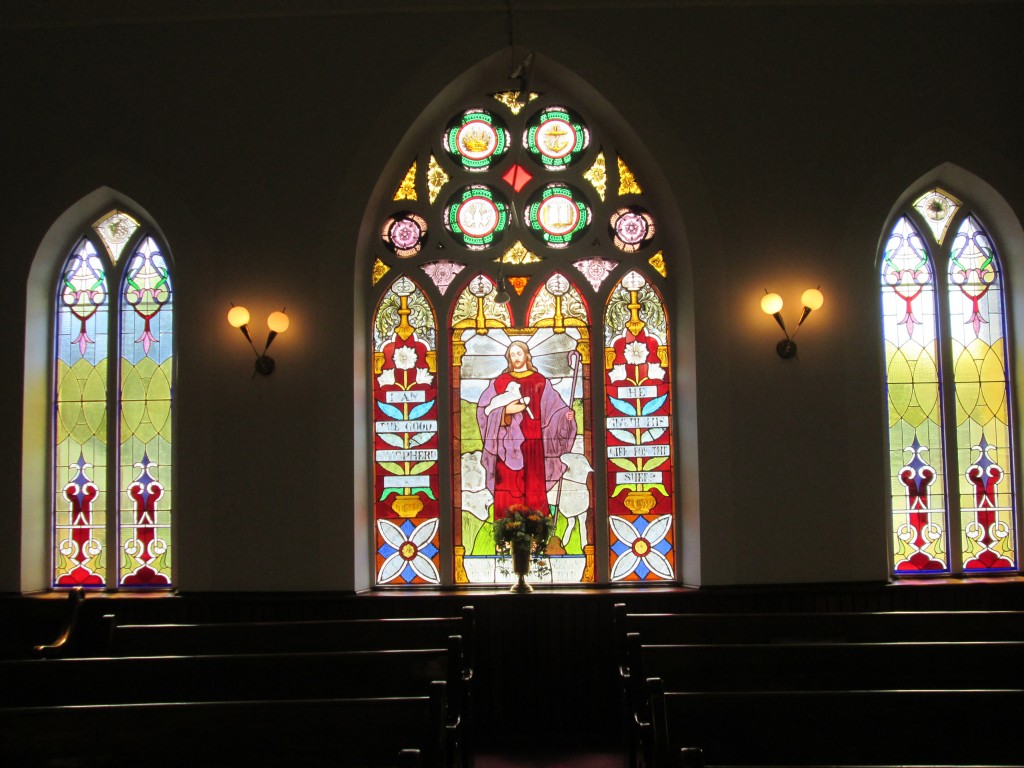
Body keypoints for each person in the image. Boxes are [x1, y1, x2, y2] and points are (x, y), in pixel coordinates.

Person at [477, 341, 577, 517]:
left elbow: (556, 409)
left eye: (519, 353)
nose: (516, 358)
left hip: (533, 443)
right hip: (506, 447)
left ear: (526, 355)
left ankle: (538, 532)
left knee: (534, 489)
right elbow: (483, 410)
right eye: (512, 354)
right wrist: (505, 412)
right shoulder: (500, 382)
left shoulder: (539, 381)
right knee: (508, 488)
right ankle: (505, 530)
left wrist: (565, 417)